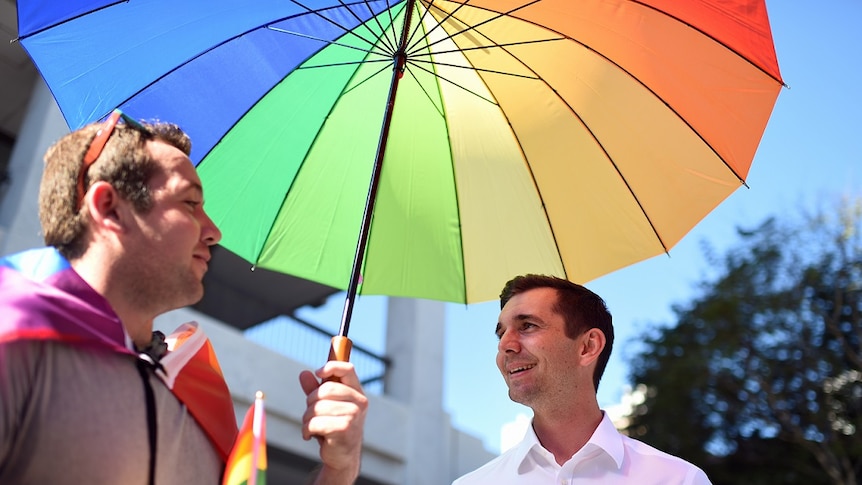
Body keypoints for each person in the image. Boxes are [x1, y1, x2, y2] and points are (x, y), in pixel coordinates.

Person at [0, 111, 367, 484]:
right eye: (190, 204)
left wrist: (339, 468)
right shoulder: (13, 335)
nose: (214, 232)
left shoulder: (199, 394)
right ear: (109, 208)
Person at [453, 274, 711, 484]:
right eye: (501, 334)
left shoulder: (679, 480)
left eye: (527, 326)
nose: (505, 346)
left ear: (588, 346)